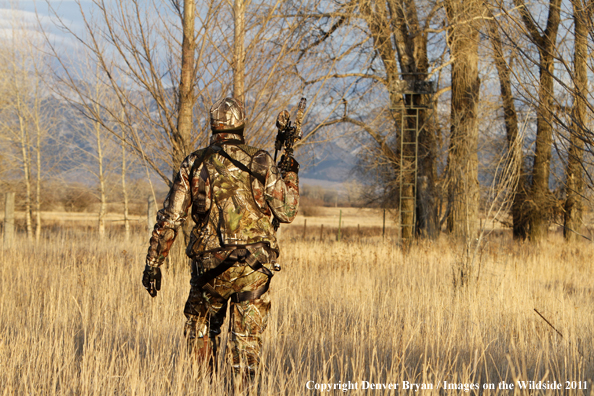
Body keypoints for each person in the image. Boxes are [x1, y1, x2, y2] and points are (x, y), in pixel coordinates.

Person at [142, 97, 299, 382]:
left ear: (214, 127)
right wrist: (290, 172)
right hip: (253, 270)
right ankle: (242, 387)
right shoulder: (261, 160)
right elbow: (287, 211)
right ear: (241, 125)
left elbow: (171, 218)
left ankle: (204, 386)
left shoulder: (194, 162)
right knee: (246, 345)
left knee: (200, 331)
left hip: (209, 270)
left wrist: (153, 264)